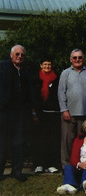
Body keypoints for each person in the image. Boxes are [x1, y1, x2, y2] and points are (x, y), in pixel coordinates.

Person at [58, 49, 86, 169]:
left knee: (82, 143)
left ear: (83, 58)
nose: (77, 60)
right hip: (69, 114)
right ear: (71, 59)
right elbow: (61, 93)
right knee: (67, 142)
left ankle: (81, 166)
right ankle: (67, 167)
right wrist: (64, 109)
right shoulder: (65, 73)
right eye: (75, 58)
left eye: (80, 57)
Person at [0, 45, 35, 182]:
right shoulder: (2, 67)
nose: (20, 56)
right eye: (17, 54)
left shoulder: (26, 71)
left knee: (18, 142)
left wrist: (32, 110)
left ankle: (17, 171)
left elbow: (30, 92)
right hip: (4, 112)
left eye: (22, 55)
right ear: (11, 55)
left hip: (21, 113)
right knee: (2, 143)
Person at [56, 119, 86, 194]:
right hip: (80, 167)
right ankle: (70, 185)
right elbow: (73, 158)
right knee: (68, 167)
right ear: (85, 129)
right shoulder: (78, 139)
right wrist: (79, 164)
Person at [32, 58, 60, 174]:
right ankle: (39, 164)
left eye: (49, 64)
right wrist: (33, 112)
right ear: (41, 65)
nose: (47, 66)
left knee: (52, 140)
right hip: (39, 113)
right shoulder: (35, 79)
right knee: (39, 139)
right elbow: (32, 97)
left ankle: (51, 164)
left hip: (52, 113)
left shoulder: (56, 78)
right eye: (45, 64)